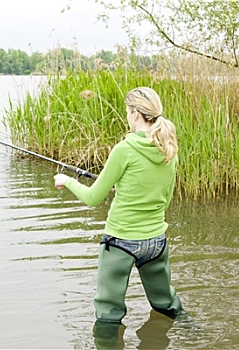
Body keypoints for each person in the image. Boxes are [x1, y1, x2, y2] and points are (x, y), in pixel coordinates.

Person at [54, 87, 183, 325]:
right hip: (156, 241)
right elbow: (166, 198)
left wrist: (67, 181)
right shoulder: (169, 149)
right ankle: (194, 334)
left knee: (108, 313)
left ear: (135, 114)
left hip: (120, 242)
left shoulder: (124, 150)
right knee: (166, 304)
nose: (127, 117)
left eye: (127, 112)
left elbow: (93, 198)